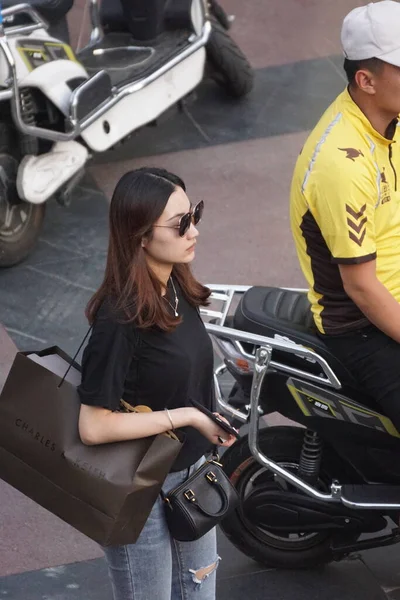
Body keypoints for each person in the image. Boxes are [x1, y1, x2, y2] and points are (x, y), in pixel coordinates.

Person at [77, 167, 236, 600]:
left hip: (192, 475)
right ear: (140, 236)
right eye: (181, 223)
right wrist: (187, 416)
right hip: (138, 487)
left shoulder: (176, 284)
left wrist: (207, 414)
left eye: (194, 214)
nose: (194, 230)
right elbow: (92, 426)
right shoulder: (120, 316)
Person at [290, 0, 400, 428]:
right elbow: (363, 287)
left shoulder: (390, 119)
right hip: (363, 326)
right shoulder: (342, 161)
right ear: (366, 80)